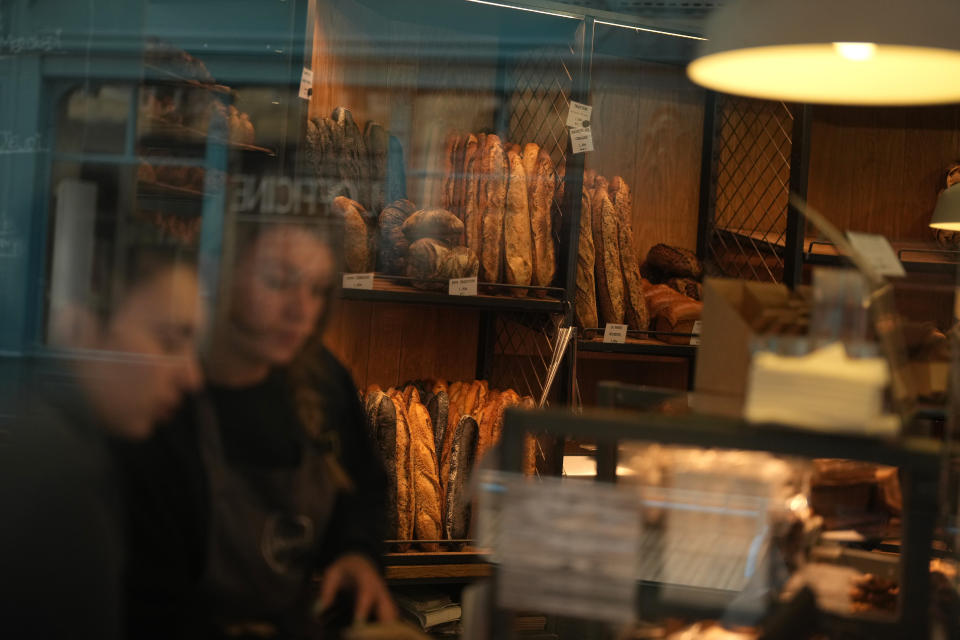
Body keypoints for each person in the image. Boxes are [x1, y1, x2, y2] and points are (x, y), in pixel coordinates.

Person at [116, 217, 396, 639]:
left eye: (317, 290)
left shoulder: (321, 380)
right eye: (279, 281)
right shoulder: (165, 393)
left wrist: (356, 553)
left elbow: (364, 491)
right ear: (221, 272)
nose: (301, 310)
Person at [0, 250, 204, 639]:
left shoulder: (65, 446)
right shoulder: (61, 482)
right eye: (170, 341)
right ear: (80, 328)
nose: (191, 377)